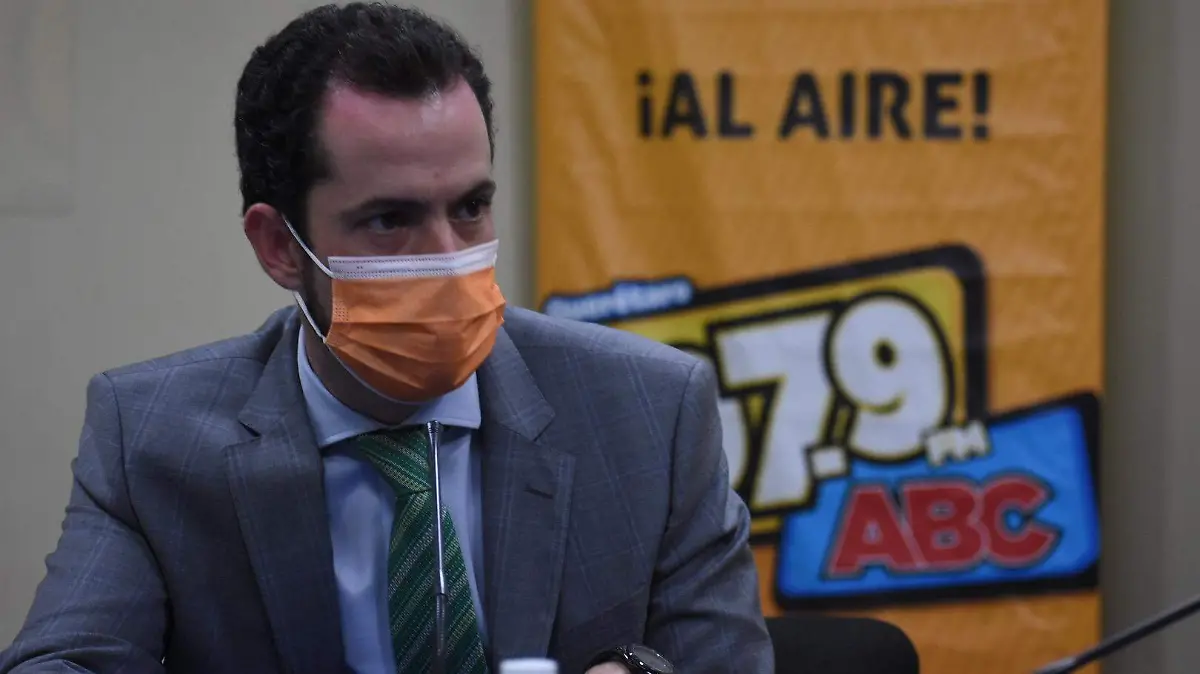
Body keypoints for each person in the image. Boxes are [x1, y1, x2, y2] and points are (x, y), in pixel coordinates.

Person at [0, 4, 773, 673]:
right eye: (389, 220)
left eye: (470, 208)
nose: (446, 258)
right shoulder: (151, 440)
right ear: (279, 246)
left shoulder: (649, 412)